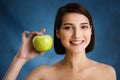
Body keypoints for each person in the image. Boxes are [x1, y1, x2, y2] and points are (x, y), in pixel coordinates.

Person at [3, 3, 116, 80]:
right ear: (58, 33)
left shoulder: (107, 72)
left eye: (84, 27)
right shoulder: (43, 74)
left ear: (91, 30)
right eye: (68, 27)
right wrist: (20, 59)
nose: (77, 34)